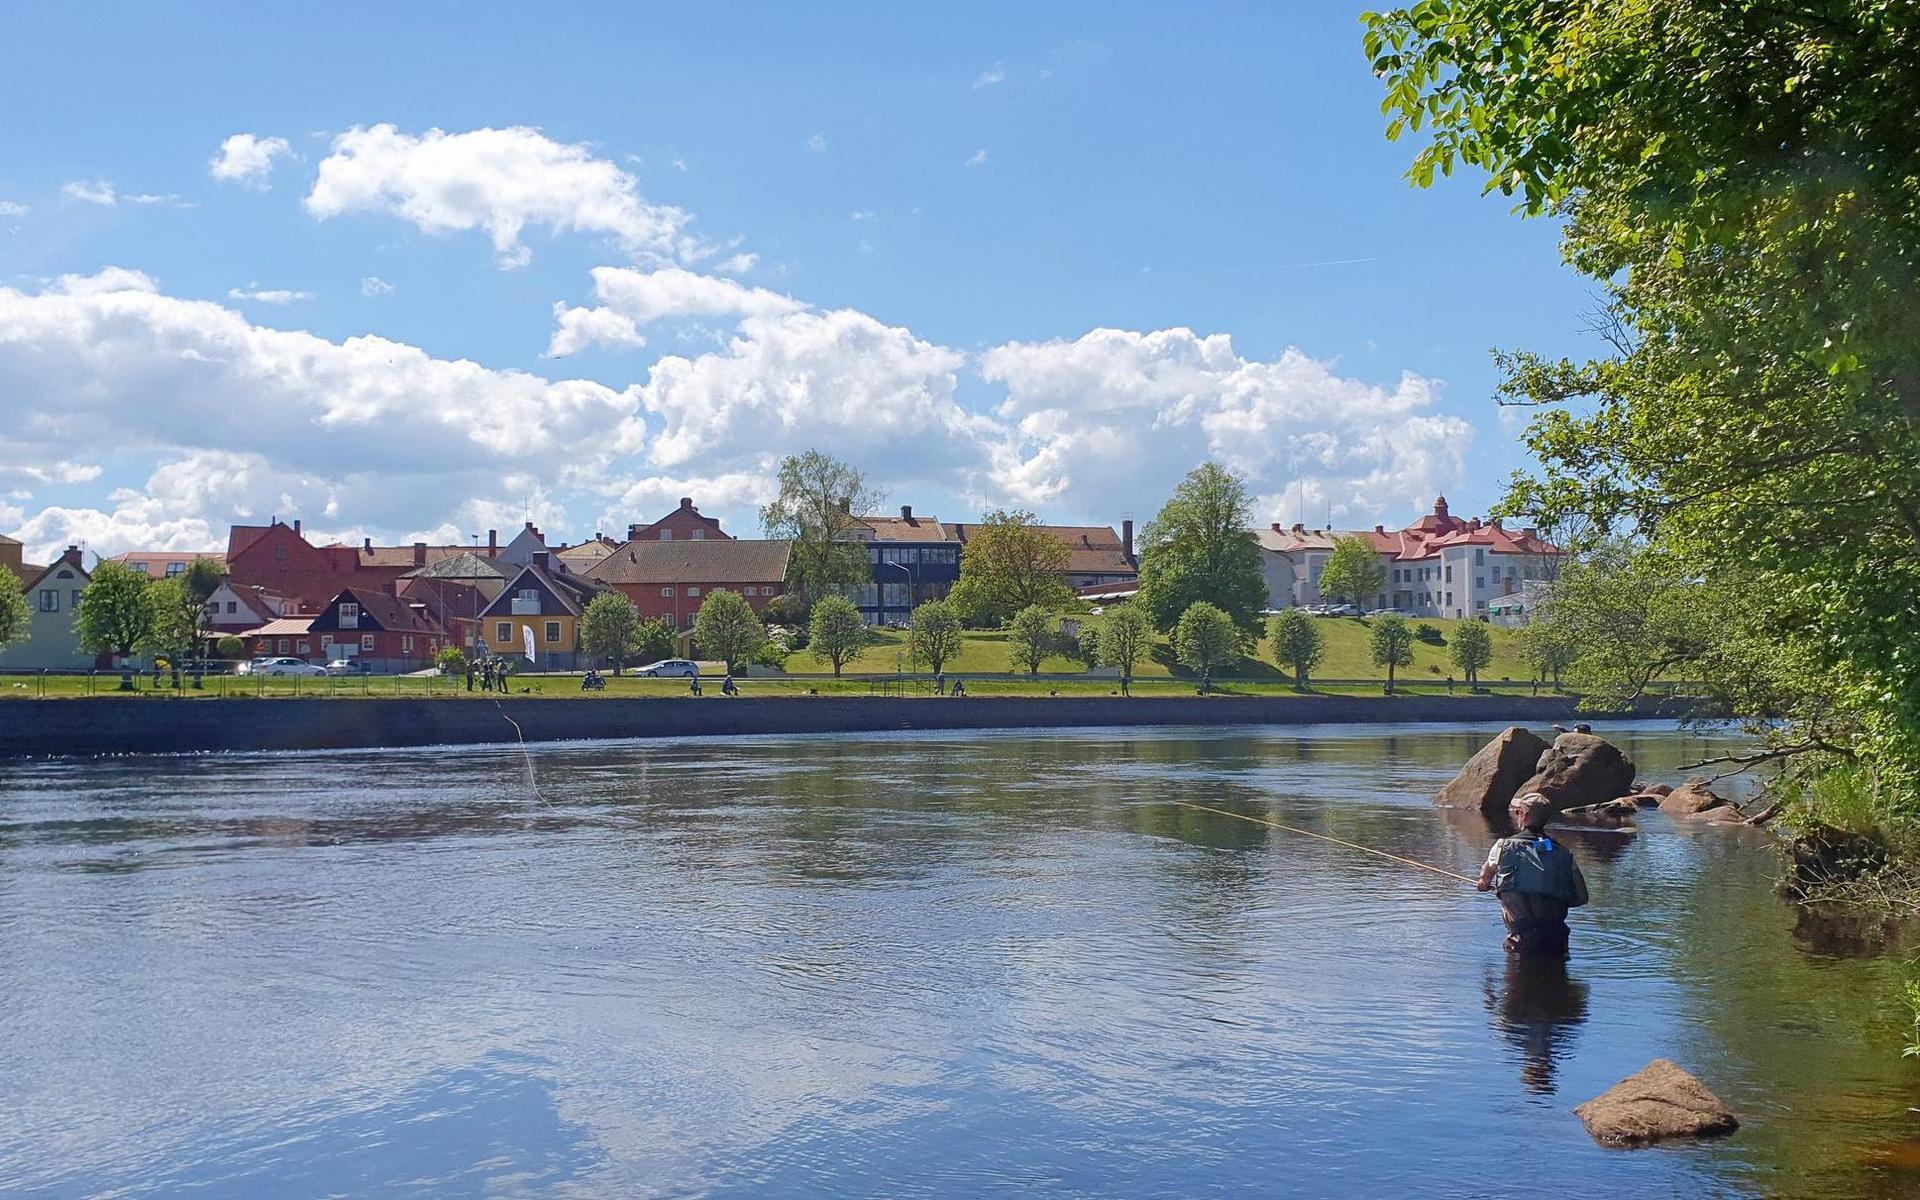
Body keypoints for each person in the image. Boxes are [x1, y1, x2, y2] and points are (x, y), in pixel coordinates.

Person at [1477, 793, 1589, 957]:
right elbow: (1582, 898)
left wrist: (1483, 883)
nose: (1516, 816)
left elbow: (1484, 879)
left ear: (1524, 814)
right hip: (1557, 942)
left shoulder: (1502, 847)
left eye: (1517, 812)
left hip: (1520, 944)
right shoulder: (1565, 853)